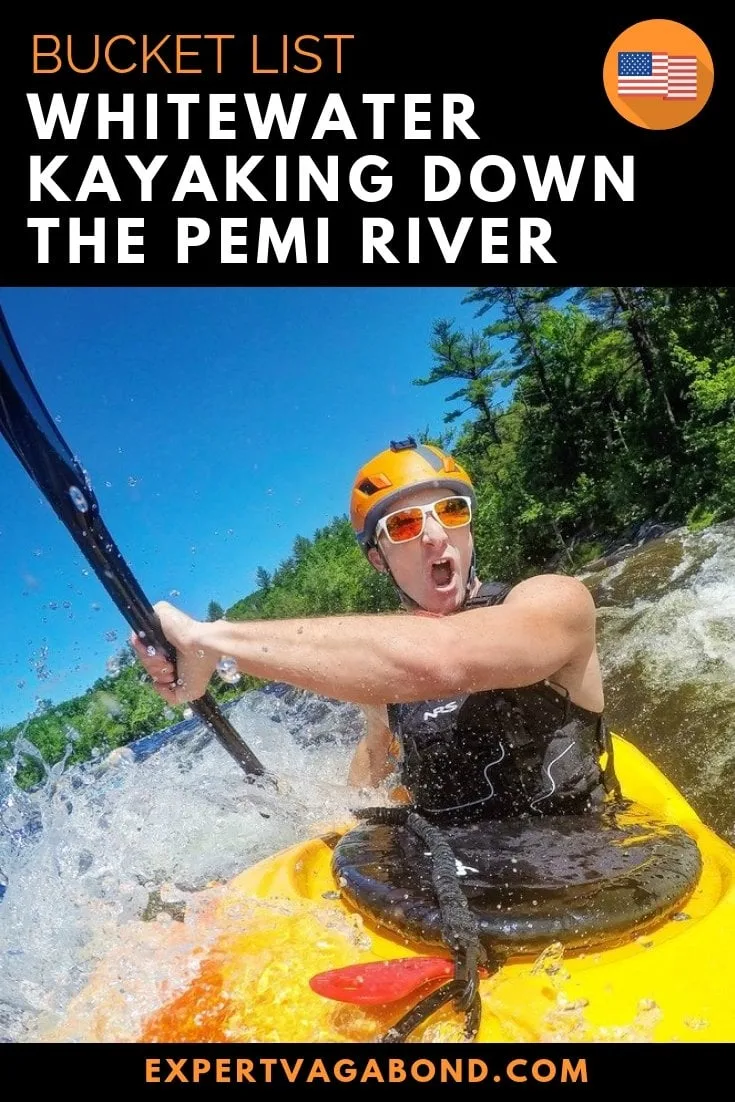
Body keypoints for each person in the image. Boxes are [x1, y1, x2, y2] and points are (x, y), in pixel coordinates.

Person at [132, 437, 619, 822]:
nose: (433, 536)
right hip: (451, 893)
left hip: (584, 869)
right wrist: (318, 818)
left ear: (469, 529)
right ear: (378, 560)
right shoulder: (381, 674)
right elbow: (372, 762)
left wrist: (209, 641)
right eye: (404, 526)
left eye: (451, 512)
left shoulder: (556, 602)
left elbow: (446, 656)